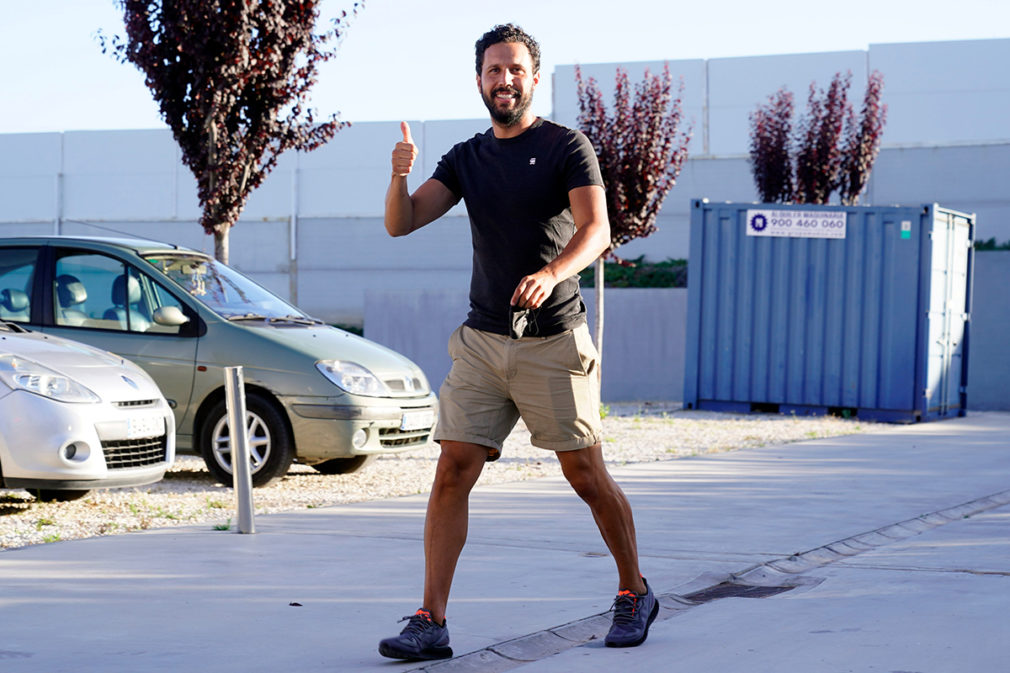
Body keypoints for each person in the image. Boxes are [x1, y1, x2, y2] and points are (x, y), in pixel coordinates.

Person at [377, 23, 657, 661]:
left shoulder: (566, 147)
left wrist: (553, 272)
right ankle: (432, 619)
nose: (504, 80)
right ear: (479, 80)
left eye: (515, 69)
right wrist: (399, 177)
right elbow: (404, 223)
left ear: (534, 78)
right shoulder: (466, 157)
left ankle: (633, 591)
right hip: (482, 340)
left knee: (584, 473)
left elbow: (596, 229)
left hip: (553, 339)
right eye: (493, 71)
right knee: (452, 470)